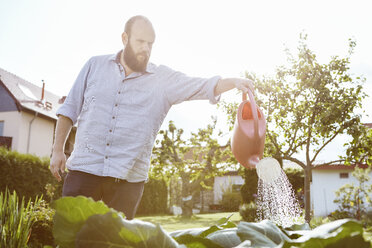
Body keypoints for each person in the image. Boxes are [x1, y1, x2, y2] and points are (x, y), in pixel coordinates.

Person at [50, 15, 254, 220]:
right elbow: (69, 109)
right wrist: (58, 150)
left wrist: (234, 82)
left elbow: (201, 86)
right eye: (140, 41)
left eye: (150, 44)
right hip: (84, 170)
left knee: (115, 242)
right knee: (72, 237)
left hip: (126, 181)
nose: (146, 48)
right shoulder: (94, 65)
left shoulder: (162, 80)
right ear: (124, 38)